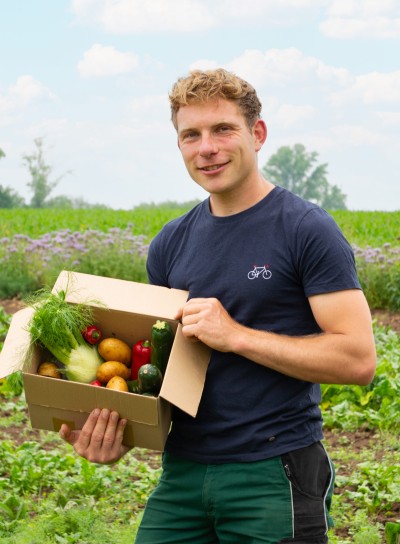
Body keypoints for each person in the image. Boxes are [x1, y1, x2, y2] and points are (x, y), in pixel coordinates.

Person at [60, 68, 376, 543]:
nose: (206, 147)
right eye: (191, 135)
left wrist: (237, 336)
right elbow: (165, 373)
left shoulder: (306, 229)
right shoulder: (170, 243)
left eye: (222, 129)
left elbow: (358, 360)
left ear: (258, 134)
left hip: (273, 471)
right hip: (183, 473)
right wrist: (118, 434)